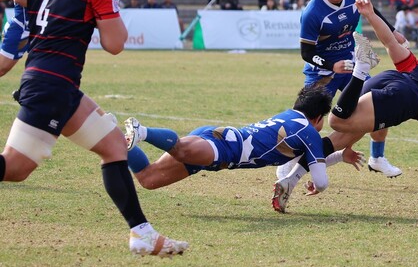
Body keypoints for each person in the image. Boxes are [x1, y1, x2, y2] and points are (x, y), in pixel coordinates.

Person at [0, 0, 188, 257]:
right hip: (52, 85)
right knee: (13, 168)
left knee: (115, 145)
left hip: (55, 83)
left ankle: (142, 233)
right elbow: (115, 44)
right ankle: (142, 233)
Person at [272, 0, 418, 211]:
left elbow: (391, 43)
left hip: (390, 78)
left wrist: (370, 15)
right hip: (405, 98)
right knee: (337, 122)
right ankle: (361, 68)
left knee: (344, 136)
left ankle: (290, 178)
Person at [123, 85, 362, 214]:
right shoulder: (308, 132)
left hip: (222, 145)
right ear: (318, 118)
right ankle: (141, 131)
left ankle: (115, 138)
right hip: (225, 147)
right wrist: (322, 179)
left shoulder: (290, 118)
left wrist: (340, 155)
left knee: (149, 178)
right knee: (181, 150)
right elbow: (320, 180)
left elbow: (303, 161)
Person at [294, 0, 405, 179]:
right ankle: (292, 163)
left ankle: (377, 158)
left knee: (377, 105)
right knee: (310, 124)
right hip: (321, 73)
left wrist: (394, 32)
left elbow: (374, 14)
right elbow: (306, 52)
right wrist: (330, 65)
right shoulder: (313, 12)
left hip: (351, 68)